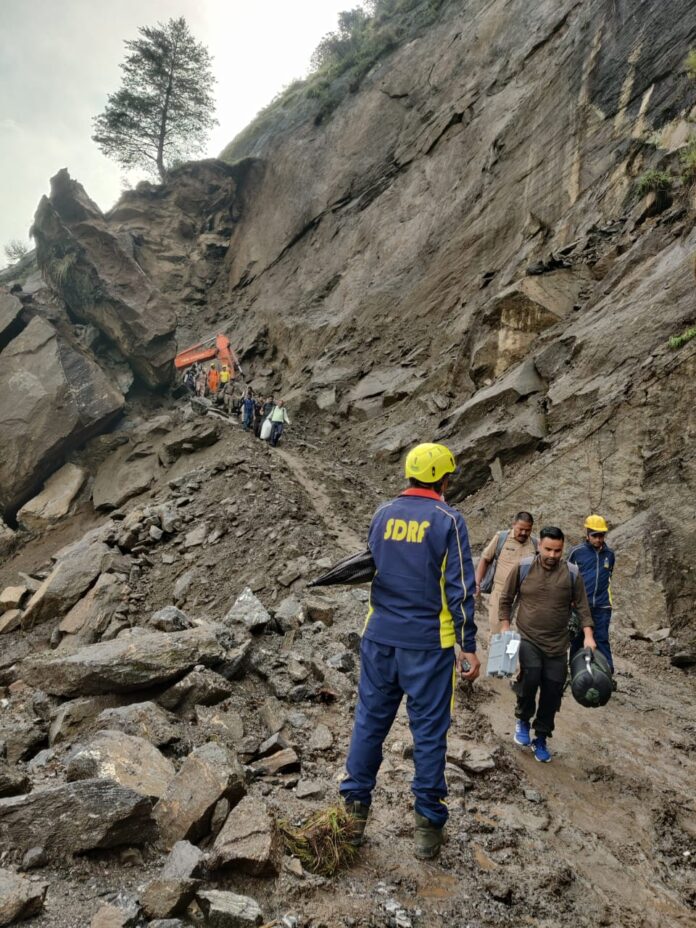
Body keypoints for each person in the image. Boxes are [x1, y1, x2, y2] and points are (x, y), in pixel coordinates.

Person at [340, 443, 479, 860]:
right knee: (429, 734)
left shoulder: (382, 514)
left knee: (369, 723)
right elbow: (462, 591)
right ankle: (426, 829)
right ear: (443, 479)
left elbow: (372, 566)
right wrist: (468, 646)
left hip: (379, 638)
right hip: (428, 647)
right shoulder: (448, 521)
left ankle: (353, 817)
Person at [498, 527, 596, 763]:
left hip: (557, 645)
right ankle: (522, 719)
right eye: (548, 549)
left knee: (552, 692)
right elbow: (505, 598)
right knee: (530, 678)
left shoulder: (572, 573)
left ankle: (541, 737)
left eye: (558, 551)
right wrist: (504, 627)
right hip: (527, 637)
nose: (552, 555)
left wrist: (588, 636)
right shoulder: (523, 568)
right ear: (539, 545)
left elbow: (583, 607)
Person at [475, 512, 536, 637]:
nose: (524, 533)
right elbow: (485, 559)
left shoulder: (535, 544)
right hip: (500, 592)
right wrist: (476, 583)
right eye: (521, 529)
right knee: (498, 632)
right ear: (513, 525)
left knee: (522, 634)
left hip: (524, 596)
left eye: (528, 530)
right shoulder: (501, 538)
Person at [568, 515, 616, 675]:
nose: (598, 539)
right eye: (595, 535)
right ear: (587, 535)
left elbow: (609, 577)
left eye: (601, 535)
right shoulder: (576, 552)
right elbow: (567, 577)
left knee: (601, 640)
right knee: (577, 639)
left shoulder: (610, 554)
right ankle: (575, 671)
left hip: (602, 606)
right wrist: (571, 599)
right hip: (580, 605)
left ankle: (606, 673)